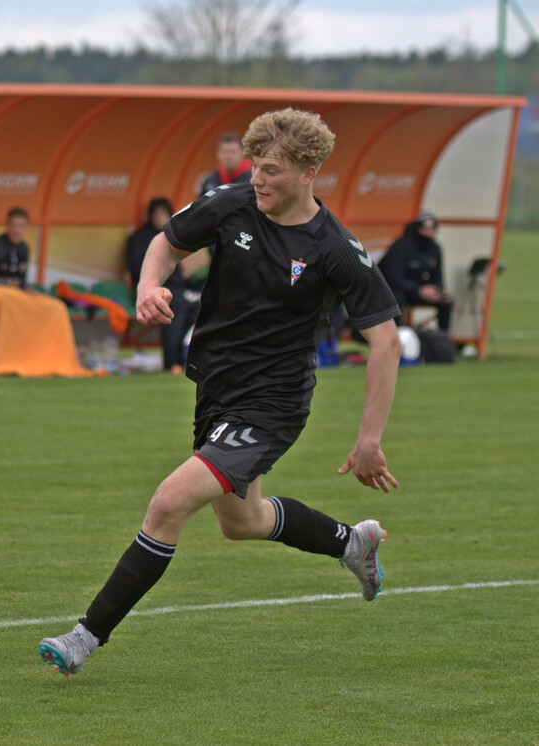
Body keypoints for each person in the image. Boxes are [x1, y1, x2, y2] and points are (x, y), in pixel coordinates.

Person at [39, 108, 402, 677]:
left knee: (168, 503)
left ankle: (84, 637)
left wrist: (369, 440)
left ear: (310, 171)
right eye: (255, 167)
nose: (258, 179)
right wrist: (148, 285)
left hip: (273, 404)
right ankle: (352, 544)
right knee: (243, 521)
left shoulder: (334, 248)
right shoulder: (230, 203)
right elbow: (166, 242)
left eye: (273, 171)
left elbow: (386, 342)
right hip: (217, 391)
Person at [126, 197, 205, 374]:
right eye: (156, 214)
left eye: (163, 213)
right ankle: (172, 361)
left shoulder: (176, 237)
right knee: (174, 307)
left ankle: (190, 359)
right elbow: (135, 268)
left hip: (179, 288)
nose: (159, 217)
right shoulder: (140, 238)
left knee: (199, 305)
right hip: (154, 289)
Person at [378, 211, 453, 332]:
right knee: (397, 298)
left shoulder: (435, 248)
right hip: (397, 290)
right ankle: (399, 336)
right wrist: (419, 290)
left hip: (420, 290)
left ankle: (443, 339)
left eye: (432, 229)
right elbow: (394, 278)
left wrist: (438, 290)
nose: (429, 233)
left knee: (446, 301)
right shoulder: (402, 246)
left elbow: (437, 276)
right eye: (425, 229)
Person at [0, 207, 30, 288]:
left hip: (16, 295)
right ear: (7, 225)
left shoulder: (24, 248)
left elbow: (22, 280)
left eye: (21, 226)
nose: (17, 231)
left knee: (47, 300)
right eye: (14, 225)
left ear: (27, 227)